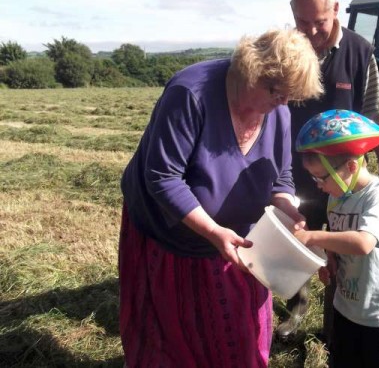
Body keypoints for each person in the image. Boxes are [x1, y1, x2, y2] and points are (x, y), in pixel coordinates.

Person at [118, 28, 323, 368]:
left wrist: (286, 205)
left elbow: (282, 176)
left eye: (291, 96)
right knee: (169, 332)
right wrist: (213, 231)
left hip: (237, 237)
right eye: (279, 92)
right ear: (253, 72)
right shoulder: (190, 92)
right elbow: (163, 176)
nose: (285, 103)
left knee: (236, 334)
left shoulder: (279, 112)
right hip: (169, 234)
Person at [276, 0, 379, 340]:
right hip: (298, 175)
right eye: (302, 22)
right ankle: (293, 319)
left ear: (336, 10)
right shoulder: (287, 50)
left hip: (344, 179)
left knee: (341, 254)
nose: (310, 32)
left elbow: (377, 115)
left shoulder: (359, 52)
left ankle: (336, 326)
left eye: (319, 22)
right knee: (294, 246)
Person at [294, 109, 379, 368]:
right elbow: (337, 233)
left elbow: (363, 243)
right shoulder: (337, 196)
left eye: (321, 177)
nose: (318, 185)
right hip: (346, 309)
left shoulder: (378, 198)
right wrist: (330, 257)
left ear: (351, 167)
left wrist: (313, 236)